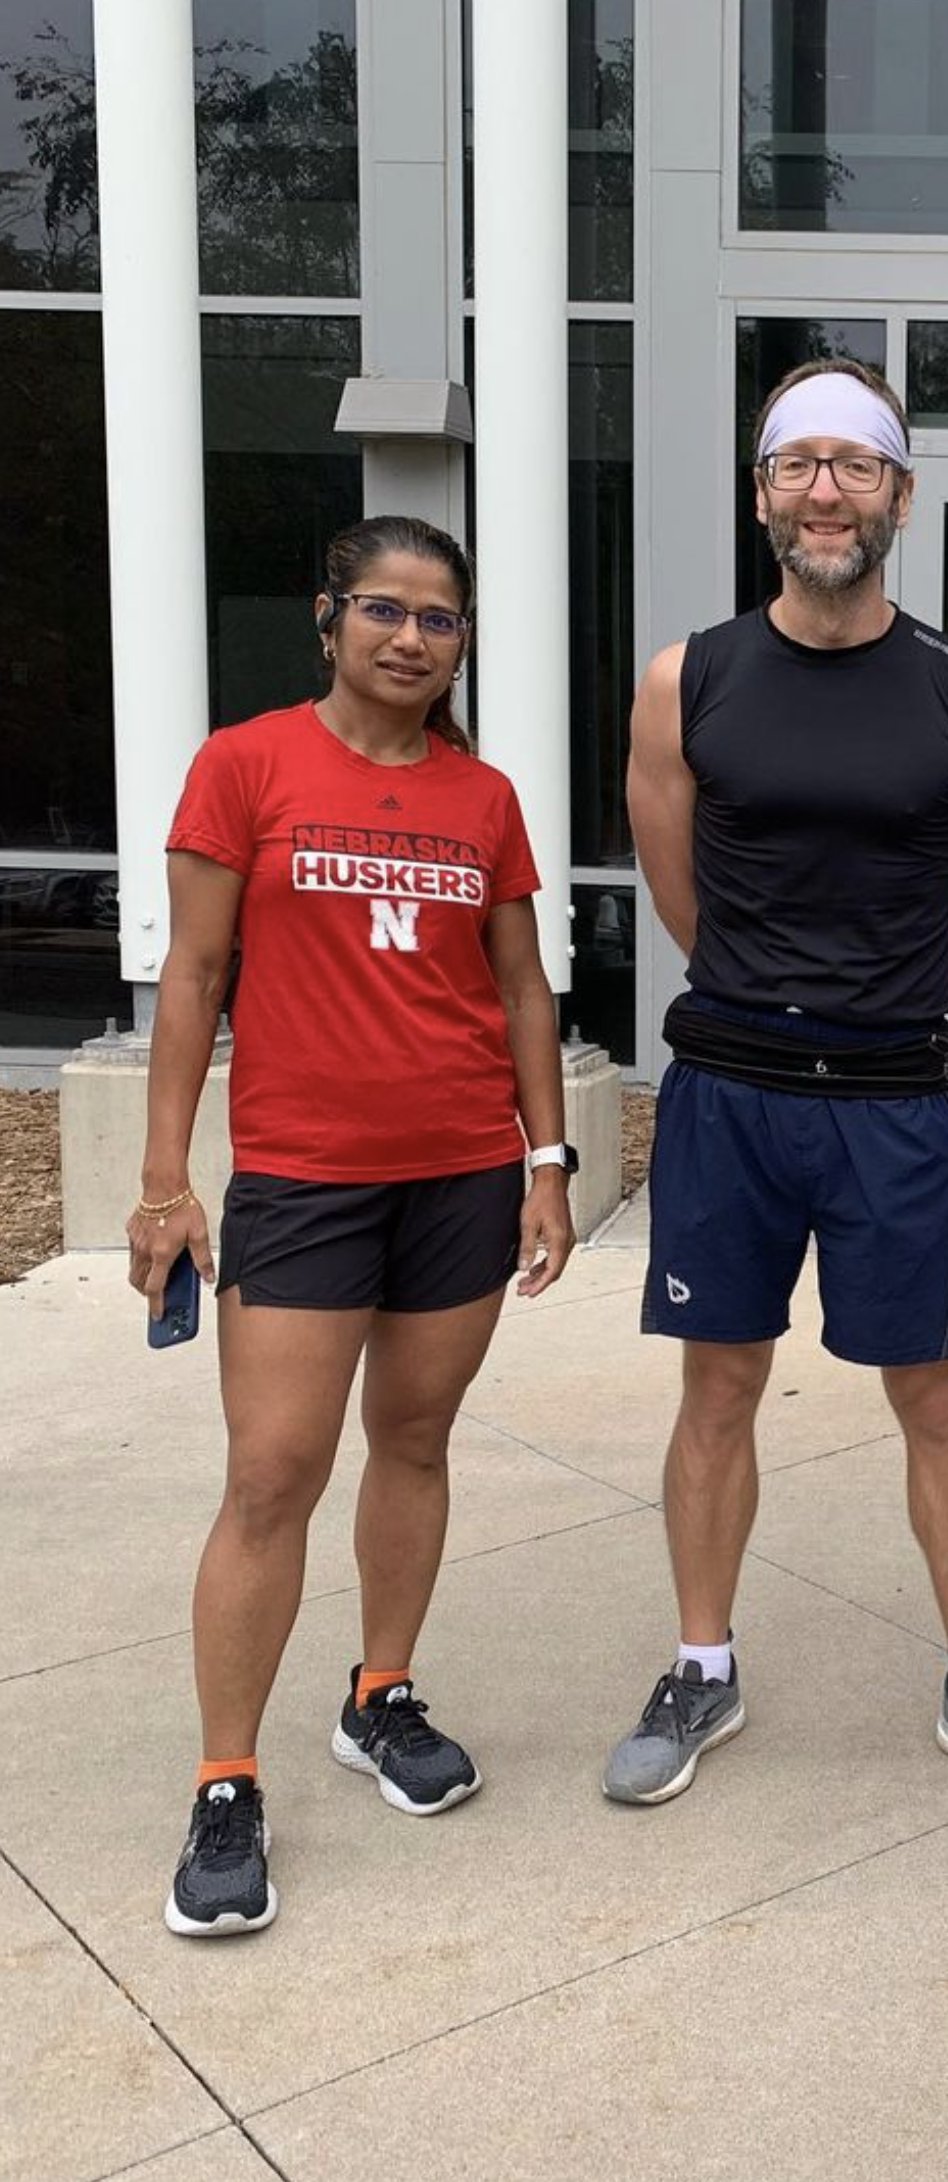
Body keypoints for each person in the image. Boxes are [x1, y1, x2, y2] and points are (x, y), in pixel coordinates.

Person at [610, 360, 948, 1819]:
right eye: (798, 465)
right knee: (718, 1388)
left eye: (855, 466)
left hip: (890, 1100)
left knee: (932, 1396)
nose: (826, 490)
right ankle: (701, 1662)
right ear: (762, 494)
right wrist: (777, 986)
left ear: (898, 495)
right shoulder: (687, 678)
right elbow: (683, 890)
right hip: (728, 1096)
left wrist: (862, 984)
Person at [132, 515, 575, 1938]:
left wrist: (546, 1160)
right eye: (381, 607)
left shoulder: (486, 796)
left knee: (419, 1437)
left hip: (459, 1169)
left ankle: (379, 1692)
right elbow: (195, 978)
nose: (409, 636)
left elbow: (520, 989)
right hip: (305, 1178)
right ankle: (224, 1779)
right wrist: (163, 1178)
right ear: (327, 619)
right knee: (271, 1473)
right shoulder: (244, 764)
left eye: (437, 617)